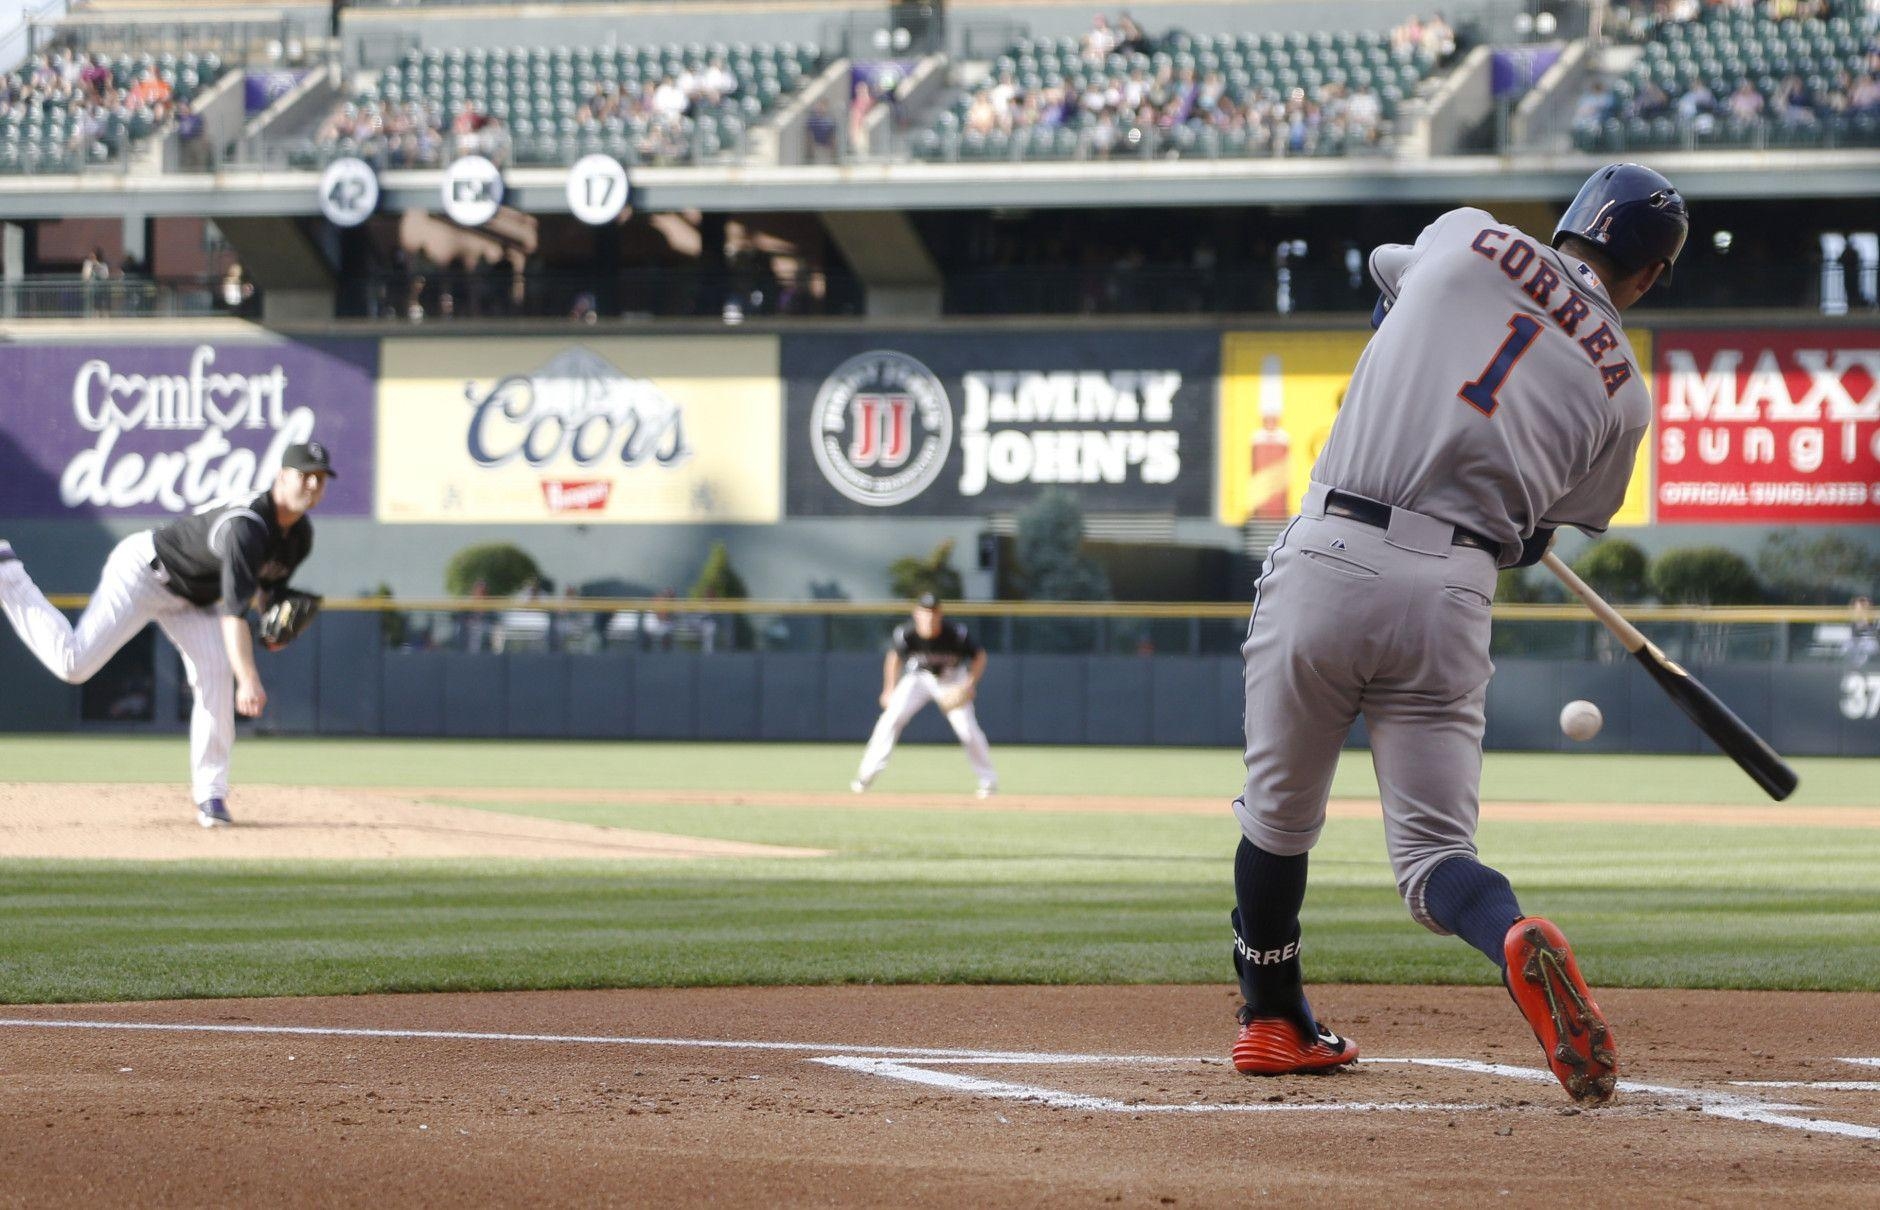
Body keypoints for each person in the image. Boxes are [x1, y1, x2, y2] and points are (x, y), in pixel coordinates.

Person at [1227, 163, 1685, 1106]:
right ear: (1650, 276)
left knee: (1278, 818)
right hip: (1452, 589)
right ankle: (1511, 933)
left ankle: (1273, 1018)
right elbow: (1540, 536)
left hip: (1330, 550)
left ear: (1569, 226)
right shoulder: (1626, 394)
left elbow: (1385, 287)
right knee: (1436, 858)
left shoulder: (1467, 232)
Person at [0, 442, 337, 828]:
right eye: (305, 474)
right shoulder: (247, 526)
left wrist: (277, 619)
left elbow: (263, 591)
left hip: (197, 600)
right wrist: (249, 679)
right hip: (145, 573)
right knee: (74, 664)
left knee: (213, 676)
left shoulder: (300, 536)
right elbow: (234, 614)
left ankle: (211, 796)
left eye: (321, 477)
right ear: (282, 476)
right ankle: (8, 576)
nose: (313, 483)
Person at [851, 593, 997, 798]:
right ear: (917, 614)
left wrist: (969, 685)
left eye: (934, 612)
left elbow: (979, 656)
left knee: (967, 729)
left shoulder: (956, 633)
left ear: (940, 614)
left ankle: (988, 781)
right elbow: (894, 659)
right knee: (892, 718)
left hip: (952, 679)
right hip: (918, 678)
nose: (930, 616)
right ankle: (865, 776)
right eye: (925, 612)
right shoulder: (906, 634)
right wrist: (889, 689)